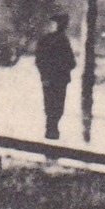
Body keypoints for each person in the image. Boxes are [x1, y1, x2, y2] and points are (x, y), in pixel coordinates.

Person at [34, 12, 76, 140]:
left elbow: (72, 61)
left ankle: (52, 130)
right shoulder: (47, 40)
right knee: (52, 106)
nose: (62, 26)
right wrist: (46, 75)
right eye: (59, 24)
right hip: (52, 79)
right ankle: (51, 130)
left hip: (58, 79)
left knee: (56, 106)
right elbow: (40, 60)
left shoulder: (62, 40)